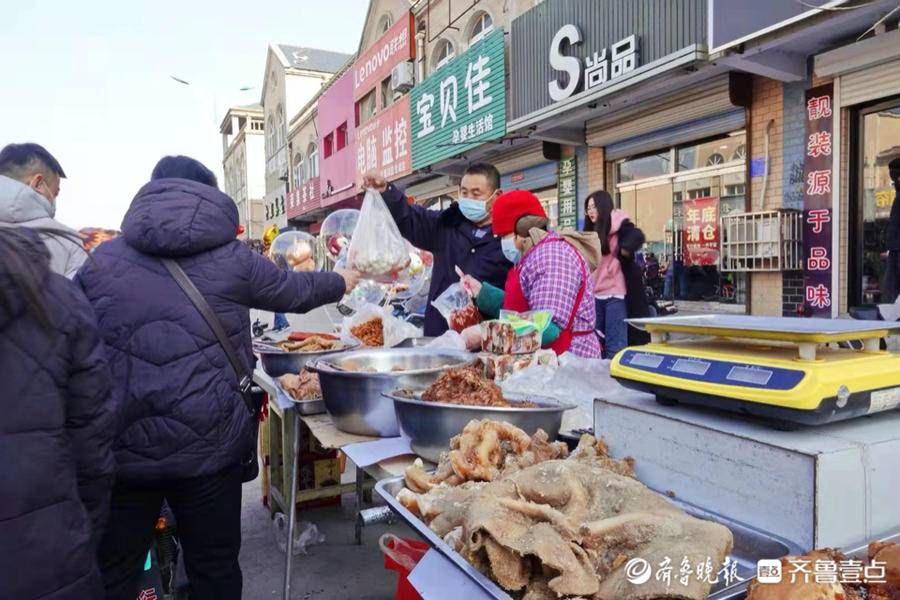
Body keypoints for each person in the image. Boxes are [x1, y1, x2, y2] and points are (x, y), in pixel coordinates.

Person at [75, 156, 359, 600]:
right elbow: (295, 291)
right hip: (210, 448)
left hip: (126, 448)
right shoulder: (234, 260)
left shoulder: (101, 263)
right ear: (209, 196)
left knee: (114, 571)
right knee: (214, 569)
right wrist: (342, 280)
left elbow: (74, 346)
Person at [0, 227, 115, 600]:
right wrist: (81, 530)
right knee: (214, 558)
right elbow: (92, 444)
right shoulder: (57, 296)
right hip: (49, 553)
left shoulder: (93, 273)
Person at [363, 163, 511, 336]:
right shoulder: (446, 224)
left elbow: (513, 301)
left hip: (484, 343)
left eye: (476, 193)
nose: (468, 198)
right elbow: (409, 217)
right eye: (464, 192)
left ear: (497, 195)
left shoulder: (509, 240)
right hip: (438, 337)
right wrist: (386, 191)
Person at [461, 190, 602, 358]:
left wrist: (484, 335)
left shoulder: (552, 257)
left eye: (503, 236)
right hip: (540, 362)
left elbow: (547, 330)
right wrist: (482, 293)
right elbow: (522, 310)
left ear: (521, 232)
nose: (501, 243)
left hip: (568, 364)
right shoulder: (531, 255)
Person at [0, 142, 86, 277]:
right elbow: (73, 295)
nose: (54, 200)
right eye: (55, 193)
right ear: (38, 184)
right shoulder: (68, 241)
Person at [584, 190, 647, 358]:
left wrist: (625, 251)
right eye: (588, 208)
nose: (590, 211)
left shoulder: (620, 226)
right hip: (594, 296)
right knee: (596, 344)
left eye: (594, 207)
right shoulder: (590, 233)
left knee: (615, 347)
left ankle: (616, 381)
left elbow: (636, 236)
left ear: (603, 206)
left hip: (615, 295)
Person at [262, 224, 291, 331]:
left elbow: (278, 270)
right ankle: (277, 325)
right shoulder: (276, 255)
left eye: (267, 247)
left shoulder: (276, 256)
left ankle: (284, 323)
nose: (266, 250)